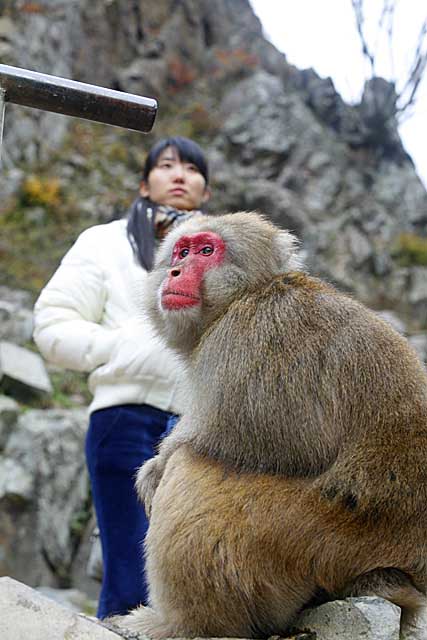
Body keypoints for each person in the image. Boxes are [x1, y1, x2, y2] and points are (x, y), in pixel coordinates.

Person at [33, 136, 211, 618]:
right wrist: (126, 347)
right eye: (168, 165)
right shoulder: (105, 242)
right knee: (132, 581)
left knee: (194, 582)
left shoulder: (223, 253)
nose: (180, 175)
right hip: (124, 418)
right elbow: (52, 324)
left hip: (205, 431)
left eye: (193, 169)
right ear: (143, 182)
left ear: (206, 192)